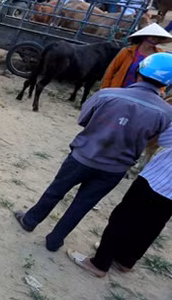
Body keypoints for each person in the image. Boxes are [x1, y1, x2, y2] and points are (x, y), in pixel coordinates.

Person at [13, 53, 172, 252]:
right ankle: (55, 240)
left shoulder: (107, 95)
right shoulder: (166, 112)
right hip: (115, 168)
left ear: (138, 72)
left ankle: (30, 220)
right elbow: (163, 141)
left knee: (56, 191)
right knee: (82, 204)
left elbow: (83, 119)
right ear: (166, 85)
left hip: (83, 156)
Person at [71, 116, 172, 278]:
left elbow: (165, 138)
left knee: (124, 218)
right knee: (152, 225)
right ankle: (125, 261)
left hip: (158, 178)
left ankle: (100, 263)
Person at [101, 24, 172, 88]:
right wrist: (104, 88)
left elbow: (163, 77)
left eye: (159, 39)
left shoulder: (160, 56)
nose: (156, 41)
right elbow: (111, 71)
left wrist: (161, 91)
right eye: (153, 38)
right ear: (144, 37)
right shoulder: (127, 52)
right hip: (119, 88)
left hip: (143, 93)